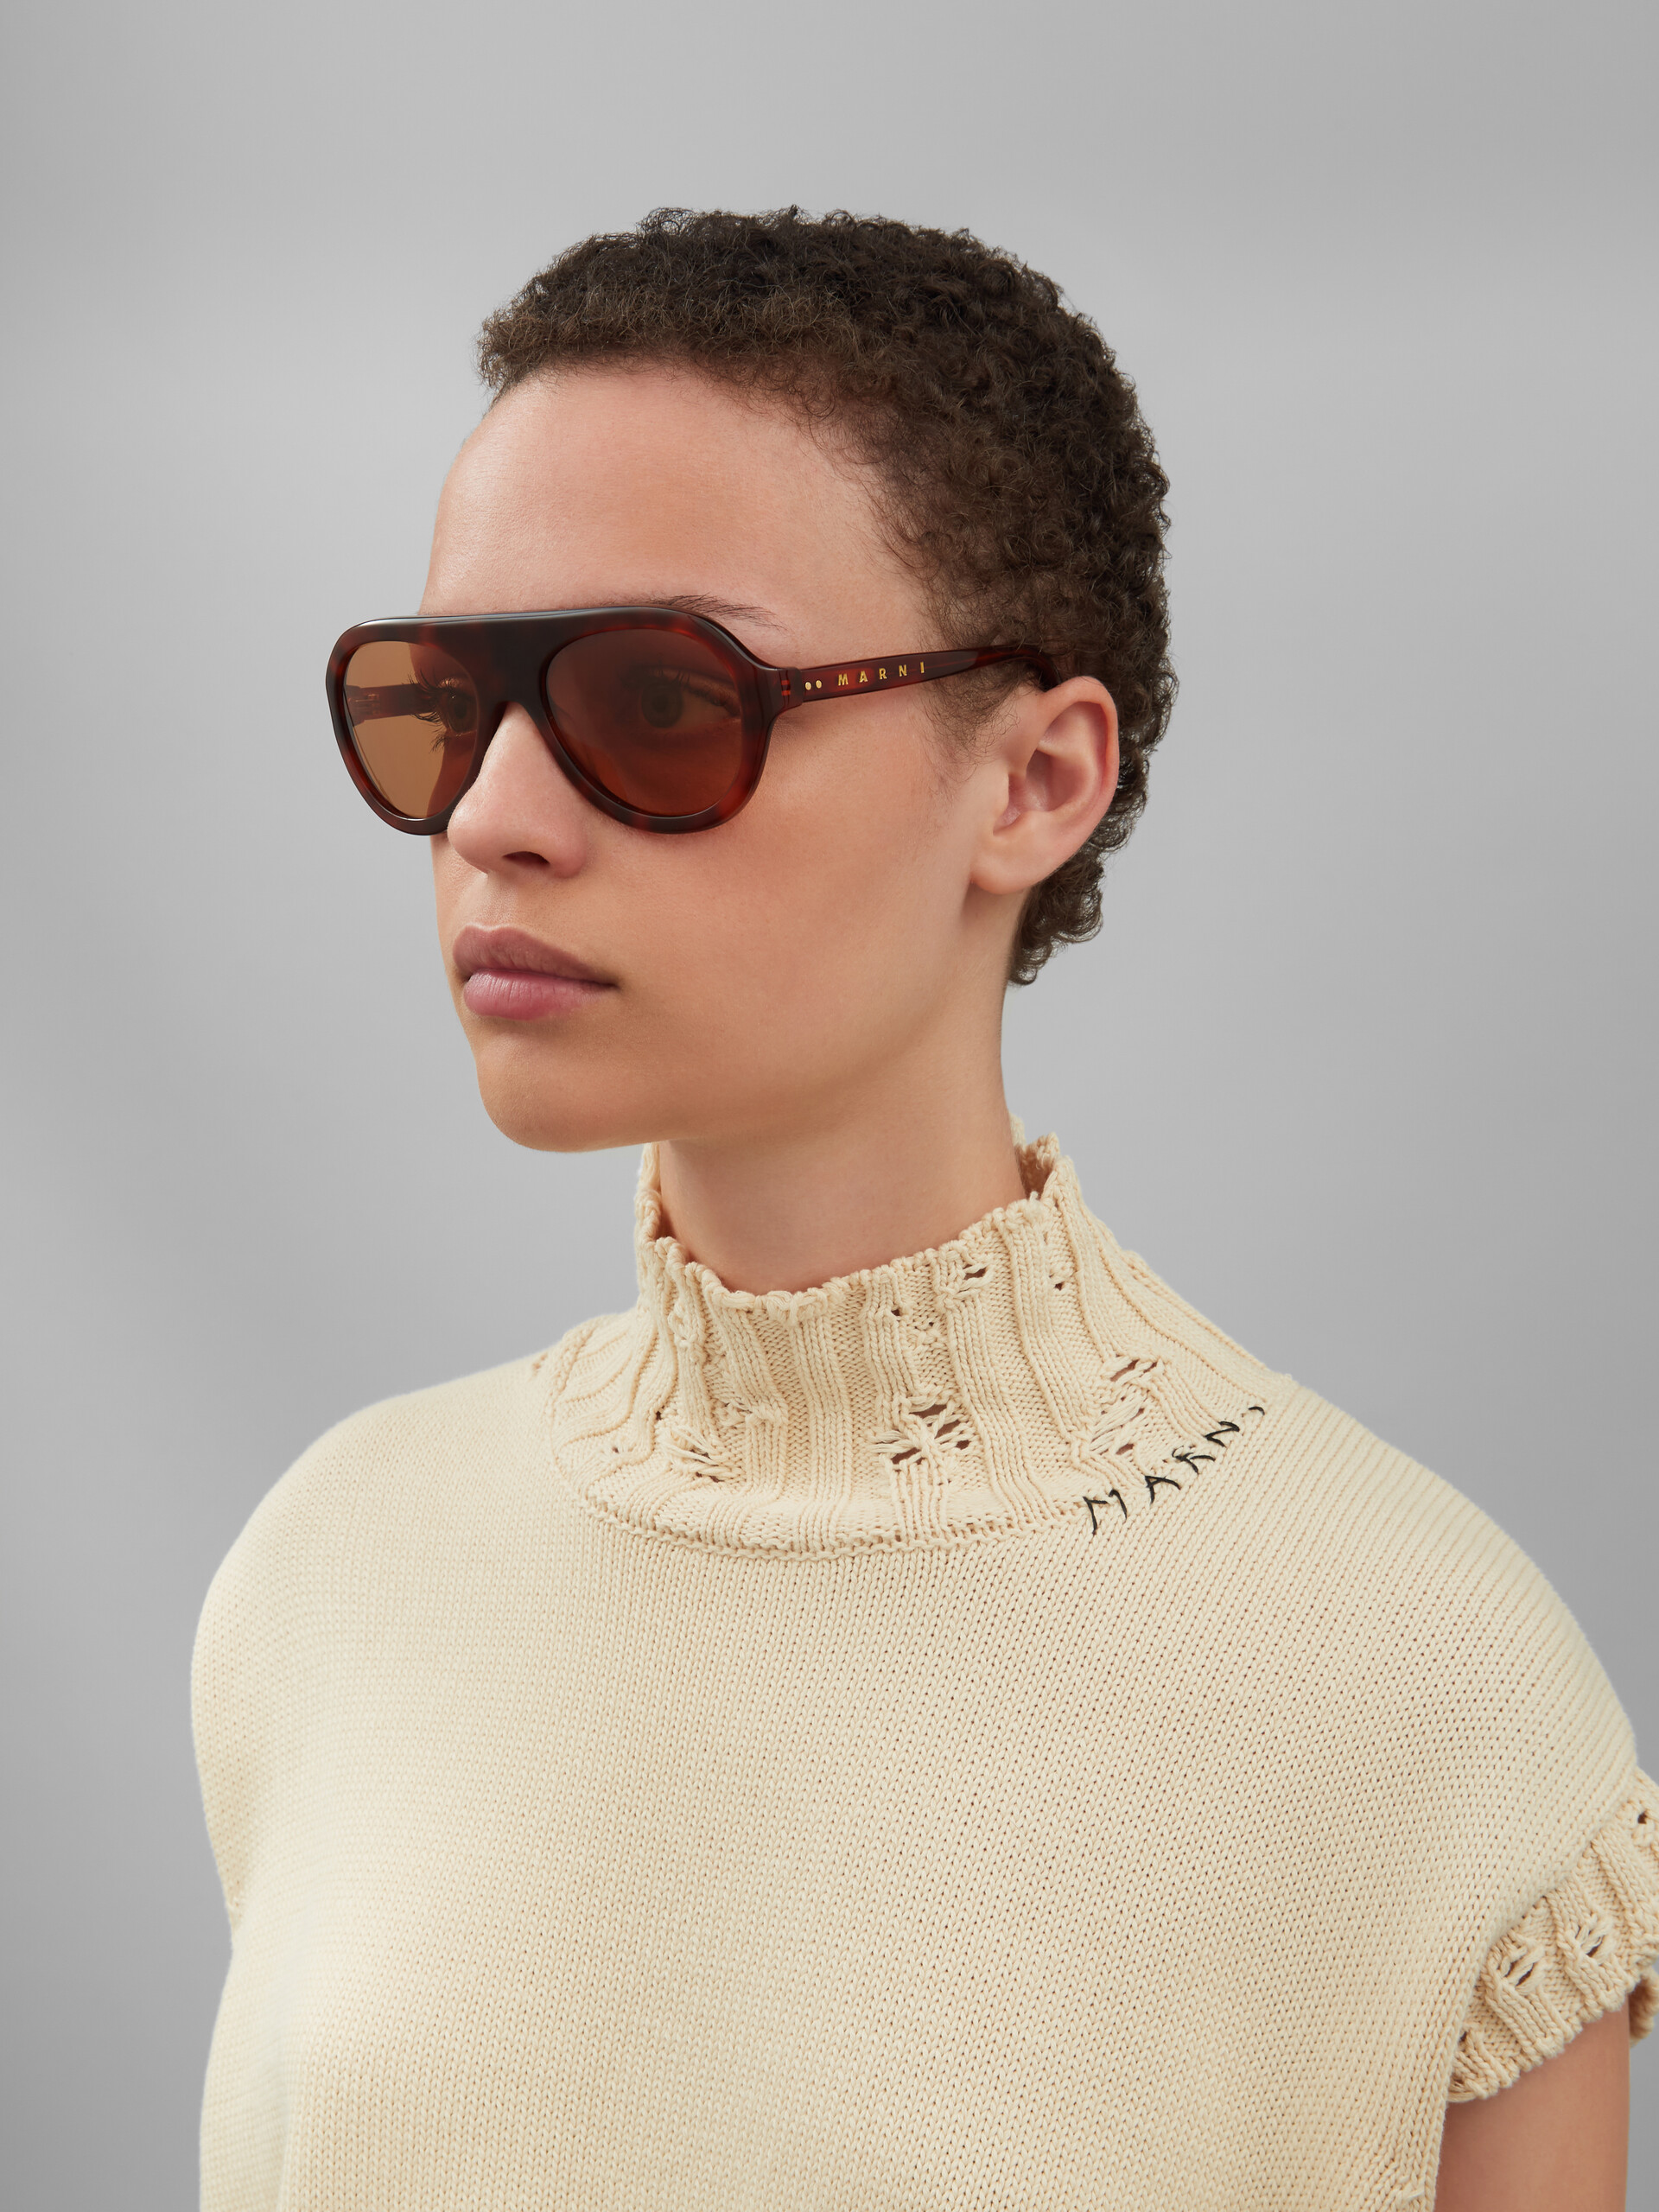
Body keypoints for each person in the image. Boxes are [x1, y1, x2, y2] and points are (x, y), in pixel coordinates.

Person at [192, 207, 1657, 2210]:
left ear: (1035, 780)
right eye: (439, 703)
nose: (495, 818)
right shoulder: (332, 1577)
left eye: (660, 702)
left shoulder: (1429, 1687)